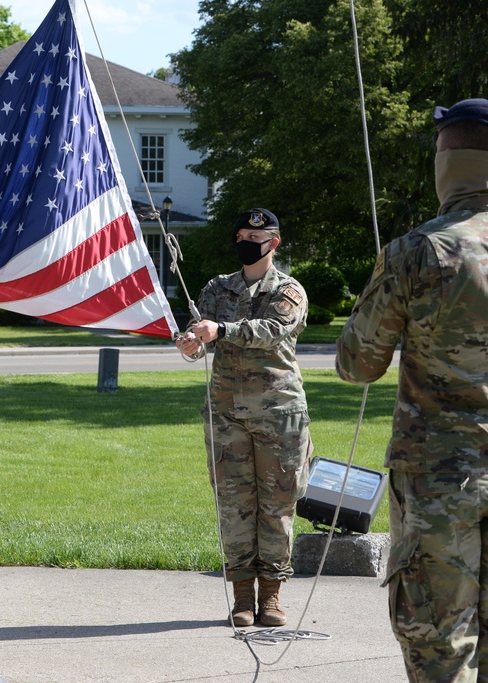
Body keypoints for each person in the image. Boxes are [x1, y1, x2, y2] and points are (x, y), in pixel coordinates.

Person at [335, 99, 488, 682]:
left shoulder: (417, 251)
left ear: (446, 158)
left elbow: (358, 365)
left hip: (441, 478)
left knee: (439, 649)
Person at [177, 208, 314, 628]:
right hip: (226, 414)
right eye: (240, 234)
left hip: (278, 415)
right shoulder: (217, 288)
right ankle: (240, 596)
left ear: (274, 243)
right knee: (234, 505)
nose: (247, 241)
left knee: (276, 504)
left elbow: (272, 330)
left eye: (257, 236)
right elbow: (198, 335)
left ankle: (271, 596)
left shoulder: (289, 290)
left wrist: (220, 331)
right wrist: (190, 344)